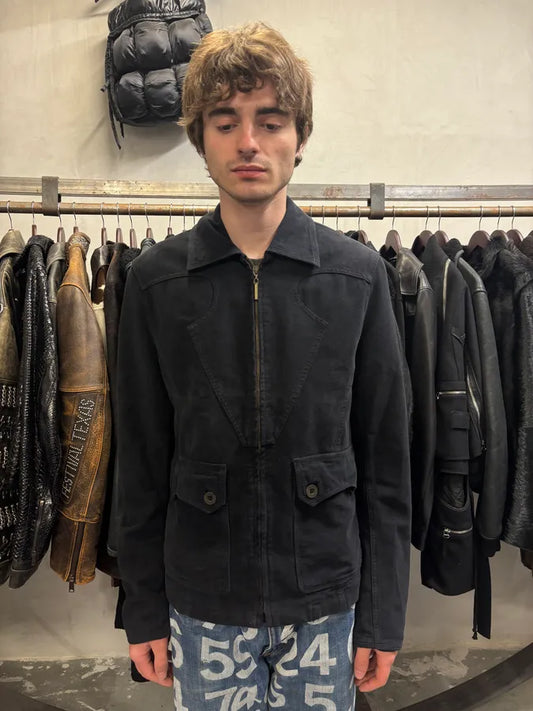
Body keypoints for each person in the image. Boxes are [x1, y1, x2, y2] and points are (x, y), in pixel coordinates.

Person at [117, 21, 411, 710]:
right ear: (200, 139)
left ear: (299, 137)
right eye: (225, 122)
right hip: (202, 599)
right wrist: (142, 607)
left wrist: (382, 613)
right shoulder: (156, 282)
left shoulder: (358, 278)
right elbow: (140, 461)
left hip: (325, 598)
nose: (248, 142)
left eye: (270, 121)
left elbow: (386, 462)